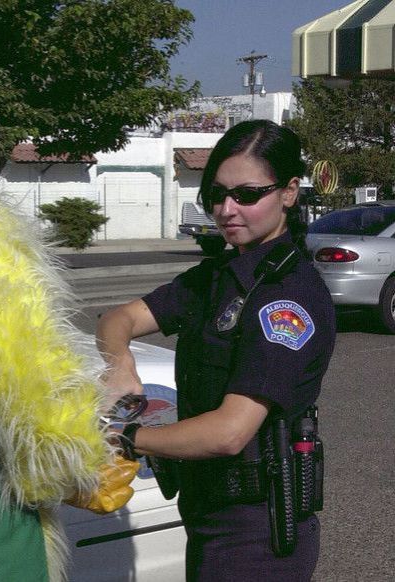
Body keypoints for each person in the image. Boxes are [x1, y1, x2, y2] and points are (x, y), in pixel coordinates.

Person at [96, 120, 336, 581]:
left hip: (256, 534)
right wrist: (121, 365)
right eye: (216, 194)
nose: (226, 209)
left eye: (246, 195)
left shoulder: (288, 298)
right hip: (208, 515)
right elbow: (116, 320)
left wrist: (125, 438)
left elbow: (229, 433)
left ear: (288, 192)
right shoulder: (219, 276)